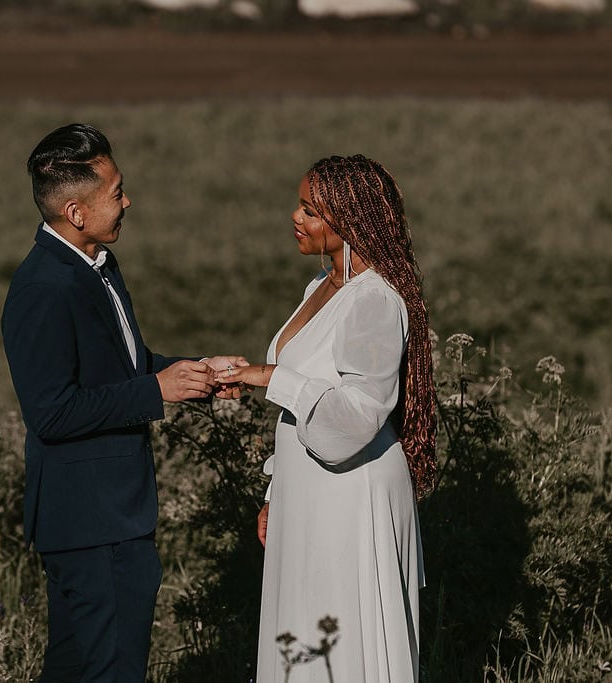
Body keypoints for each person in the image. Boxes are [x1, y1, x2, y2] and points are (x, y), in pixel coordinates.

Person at [1, 123, 246, 682]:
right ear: (76, 212)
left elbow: (126, 367)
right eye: (115, 192)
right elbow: (52, 413)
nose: (127, 200)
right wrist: (156, 391)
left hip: (109, 517)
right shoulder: (45, 287)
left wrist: (195, 374)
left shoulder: (98, 268)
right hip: (91, 522)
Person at [217, 155, 438, 682]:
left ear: (352, 222)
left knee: (340, 635)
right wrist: (275, 492)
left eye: (312, 211)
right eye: (300, 204)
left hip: (350, 491)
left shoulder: (374, 301)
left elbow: (359, 416)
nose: (296, 217)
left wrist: (269, 378)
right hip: (310, 490)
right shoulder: (322, 286)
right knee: (306, 632)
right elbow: (306, 405)